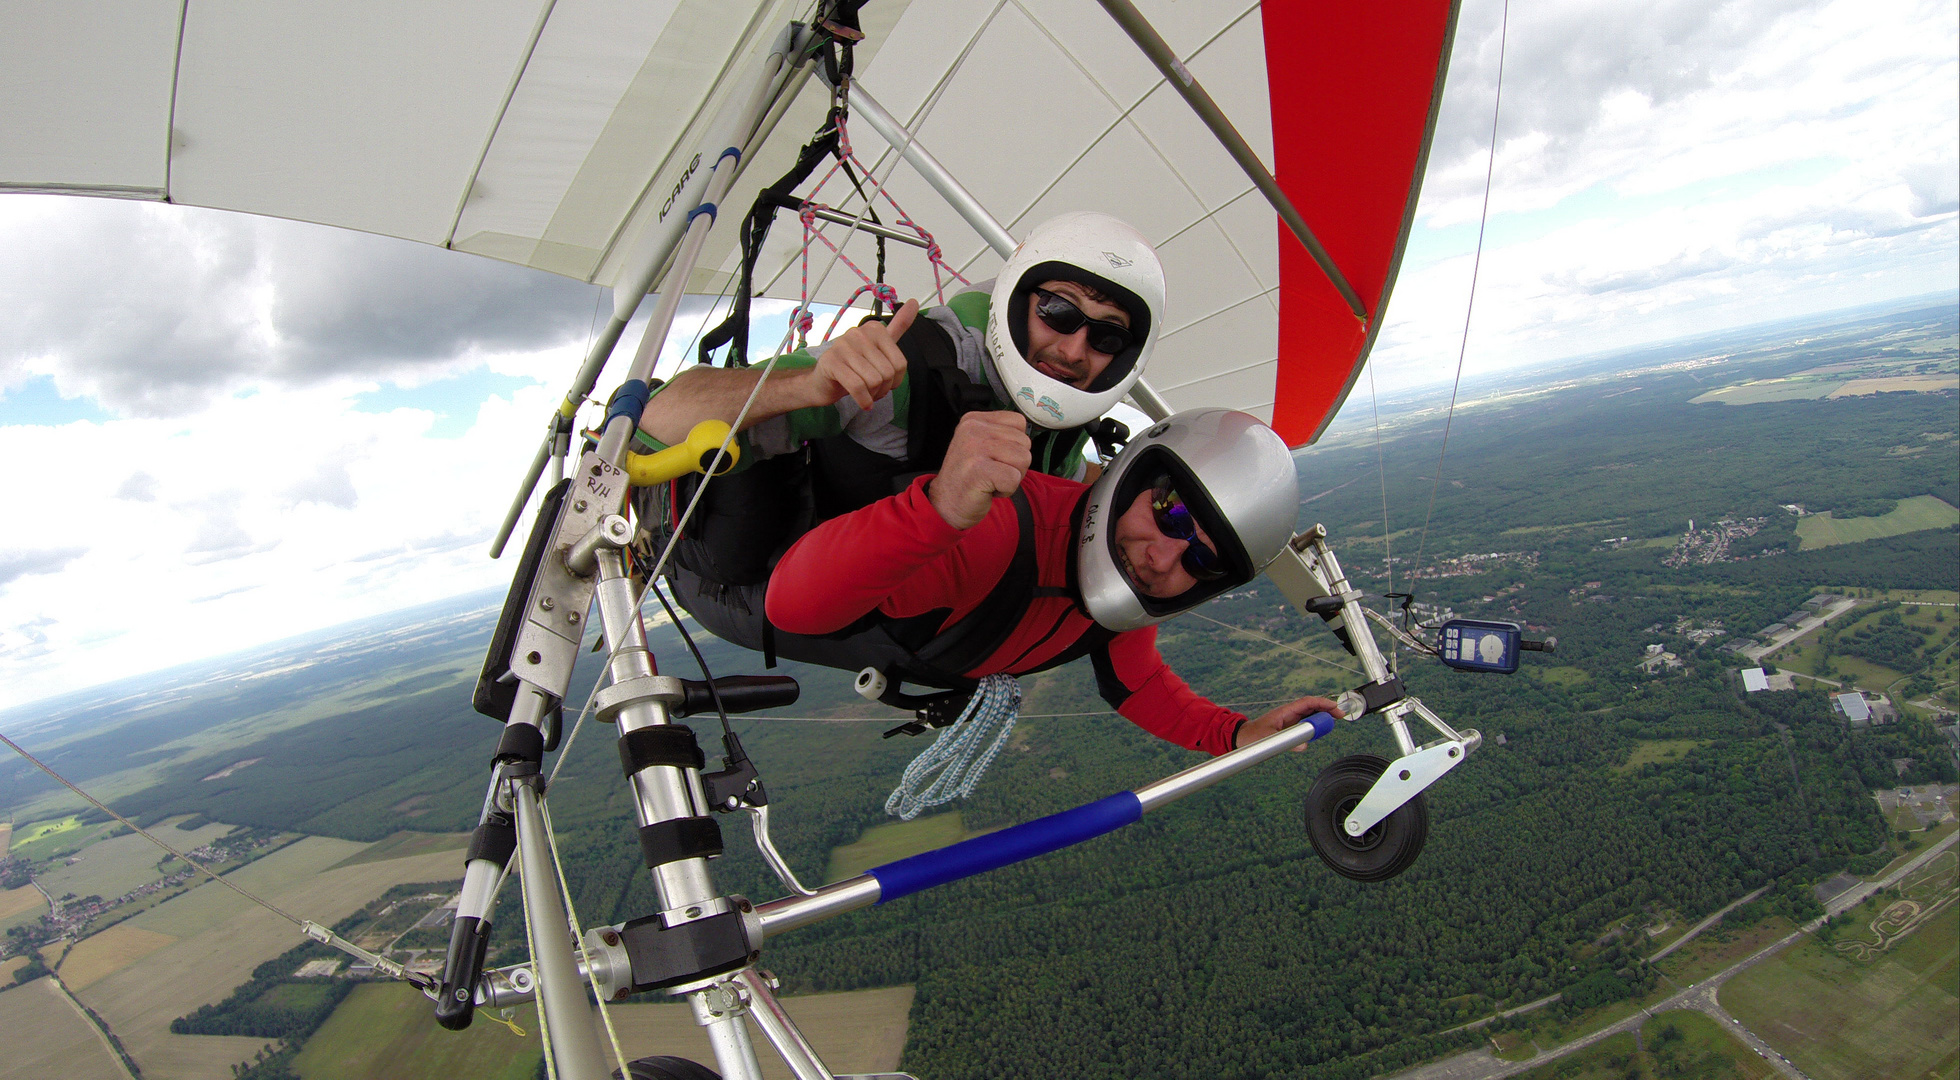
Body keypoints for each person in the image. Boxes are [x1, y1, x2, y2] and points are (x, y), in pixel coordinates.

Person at [638, 211, 1166, 654]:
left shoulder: (1066, 420)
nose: (1074, 350)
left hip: (892, 601)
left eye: (1106, 335)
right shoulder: (908, 370)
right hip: (757, 586)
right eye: (1057, 310)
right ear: (1020, 296)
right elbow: (658, 419)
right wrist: (811, 387)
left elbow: (1074, 485)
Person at [763, 408, 1343, 757]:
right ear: (1133, 475)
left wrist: (1237, 734)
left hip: (905, 650)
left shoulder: (1125, 597)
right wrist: (939, 511)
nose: (1164, 559)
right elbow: (792, 607)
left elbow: (1138, 684)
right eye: (1169, 512)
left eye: (1200, 563)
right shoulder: (997, 533)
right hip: (764, 591)